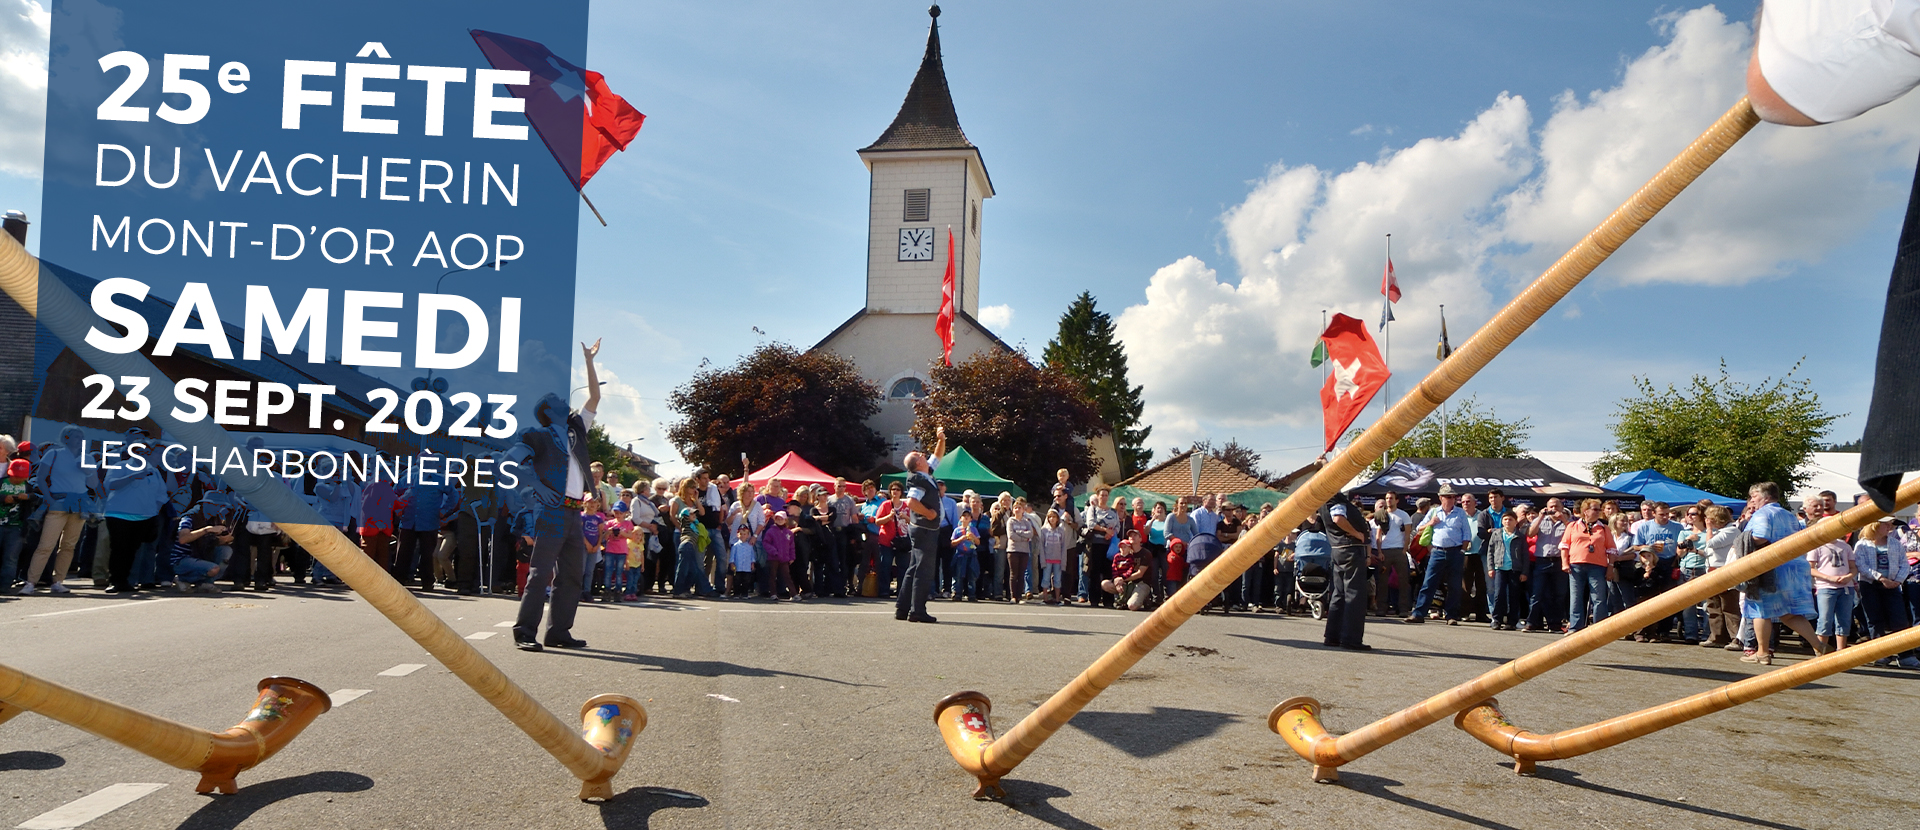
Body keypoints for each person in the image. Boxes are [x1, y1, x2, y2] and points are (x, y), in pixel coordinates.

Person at [511, 339, 602, 652]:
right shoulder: (534, 435)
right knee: (540, 574)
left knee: (571, 576)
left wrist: (589, 361)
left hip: (575, 512)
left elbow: (595, 396)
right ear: (548, 411)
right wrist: (537, 486)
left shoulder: (576, 428)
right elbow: (509, 461)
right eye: (558, 400)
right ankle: (524, 631)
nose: (566, 401)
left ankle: (558, 631)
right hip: (550, 512)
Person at [1740, 482, 1823, 666]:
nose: (1752, 500)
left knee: (1760, 610)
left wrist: (1741, 539)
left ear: (1766, 497)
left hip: (1771, 570)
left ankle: (1762, 652)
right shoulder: (1789, 515)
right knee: (1789, 613)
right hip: (1793, 569)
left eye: (1754, 496)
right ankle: (1819, 646)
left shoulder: (1763, 513)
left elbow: (1760, 537)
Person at [20, 426, 91, 595]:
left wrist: (85, 467)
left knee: (68, 546)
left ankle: (58, 581)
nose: (79, 440)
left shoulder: (86, 457)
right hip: (58, 503)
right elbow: (41, 478)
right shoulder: (53, 454)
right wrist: (50, 499)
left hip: (78, 504)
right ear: (65, 438)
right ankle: (30, 582)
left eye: (82, 437)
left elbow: (93, 483)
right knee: (46, 545)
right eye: (75, 437)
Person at [101, 432, 168, 596]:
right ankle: (115, 581)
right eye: (138, 450)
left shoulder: (153, 471)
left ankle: (125, 581)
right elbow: (110, 485)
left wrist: (154, 510)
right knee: (118, 549)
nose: (142, 453)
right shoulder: (120, 466)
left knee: (132, 549)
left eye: (145, 451)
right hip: (118, 515)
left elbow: (161, 494)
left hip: (143, 517)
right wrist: (133, 477)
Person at [895, 426, 947, 623]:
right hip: (925, 529)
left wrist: (940, 439)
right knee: (924, 570)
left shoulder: (925, 473)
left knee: (914, 567)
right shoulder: (918, 479)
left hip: (921, 529)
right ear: (918, 463)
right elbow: (911, 502)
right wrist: (930, 513)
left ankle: (902, 608)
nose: (924, 455)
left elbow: (937, 456)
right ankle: (917, 611)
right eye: (920, 455)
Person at [1409, 485, 1471, 624]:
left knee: (1454, 585)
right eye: (1448, 497)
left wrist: (1462, 550)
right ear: (1441, 498)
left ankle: (1451, 616)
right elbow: (1419, 528)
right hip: (1437, 552)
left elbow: (1466, 533)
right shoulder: (1433, 512)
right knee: (1429, 583)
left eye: (1453, 497)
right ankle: (1419, 613)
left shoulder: (1460, 513)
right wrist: (1431, 523)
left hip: (1455, 551)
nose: (1451, 499)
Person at [1320, 490, 1371, 650]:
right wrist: (1357, 533)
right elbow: (1338, 518)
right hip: (1350, 548)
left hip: (1338, 549)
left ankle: (1333, 636)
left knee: (1339, 594)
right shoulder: (1334, 497)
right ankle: (1350, 639)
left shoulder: (1323, 497)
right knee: (1354, 594)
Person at [1560, 498, 1616, 633]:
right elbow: (1564, 546)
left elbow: (1611, 549)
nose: (1599, 512)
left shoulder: (1604, 528)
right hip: (1576, 565)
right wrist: (1564, 563)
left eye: (1599, 509)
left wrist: (1610, 567)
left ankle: (1598, 628)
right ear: (1585, 511)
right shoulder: (1572, 526)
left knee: (1598, 597)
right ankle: (1575, 626)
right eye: (1595, 509)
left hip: (1598, 566)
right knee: (1576, 597)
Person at [1808, 532, 1859, 655]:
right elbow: (1810, 568)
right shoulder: (1817, 546)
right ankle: (1820, 651)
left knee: (1844, 619)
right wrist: (1828, 578)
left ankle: (1840, 651)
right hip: (1826, 587)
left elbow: (1853, 567)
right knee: (1825, 619)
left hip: (1846, 587)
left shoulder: (1845, 546)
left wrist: (1849, 576)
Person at [1486, 512, 1530, 630]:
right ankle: (1497, 619)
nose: (1507, 522)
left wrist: (1524, 572)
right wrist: (1490, 567)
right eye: (1505, 519)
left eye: (1510, 519)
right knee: (1499, 594)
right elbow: (1490, 551)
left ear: (1515, 522)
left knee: (1514, 596)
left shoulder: (1520, 536)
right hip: (1500, 568)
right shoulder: (1497, 534)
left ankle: (1512, 621)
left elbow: (1525, 555)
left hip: (1515, 569)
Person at [1372, 493, 1412, 619]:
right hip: (1385, 550)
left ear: (1397, 500)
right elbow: (1378, 535)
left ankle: (1403, 608)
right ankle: (1381, 608)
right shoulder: (1381, 514)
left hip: (1399, 550)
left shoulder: (1403, 515)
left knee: (1403, 581)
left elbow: (1407, 533)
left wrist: (1405, 549)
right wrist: (1379, 551)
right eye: (1387, 498)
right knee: (1383, 582)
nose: (1389, 500)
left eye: (1391, 498)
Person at [0, 458, 33, 593]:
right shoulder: (1, 483)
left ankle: (5, 585)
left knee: (11, 558)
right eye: (15, 476)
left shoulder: (28, 486)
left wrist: (28, 497)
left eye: (21, 477)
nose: (18, 479)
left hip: (17, 527)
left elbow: (39, 497)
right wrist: (2, 498)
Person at [950, 508, 981, 602]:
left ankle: (971, 594)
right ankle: (957, 593)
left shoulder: (973, 530)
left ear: (971, 519)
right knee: (958, 574)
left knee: (971, 575)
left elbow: (978, 542)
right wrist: (961, 539)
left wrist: (973, 537)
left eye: (968, 516)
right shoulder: (957, 530)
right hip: (960, 554)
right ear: (960, 518)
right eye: (964, 516)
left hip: (971, 554)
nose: (966, 518)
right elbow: (952, 543)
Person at [1039, 509, 1069, 604]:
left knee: (1057, 579)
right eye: (1050, 517)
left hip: (1058, 559)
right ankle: (1045, 598)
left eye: (1054, 517)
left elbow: (1064, 547)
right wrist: (1042, 560)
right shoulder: (1043, 530)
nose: (1052, 519)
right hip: (1047, 558)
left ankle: (1057, 599)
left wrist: (1063, 561)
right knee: (1046, 579)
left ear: (1057, 518)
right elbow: (1041, 546)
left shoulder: (1061, 530)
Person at [728, 525, 757, 598]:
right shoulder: (735, 545)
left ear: (748, 535)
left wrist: (752, 563)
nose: (743, 536)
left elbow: (752, 556)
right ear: (738, 534)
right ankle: (736, 593)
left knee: (746, 580)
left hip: (747, 567)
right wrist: (732, 563)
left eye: (745, 534)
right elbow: (732, 556)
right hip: (738, 566)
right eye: (741, 534)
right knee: (737, 580)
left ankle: (745, 594)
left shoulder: (750, 546)